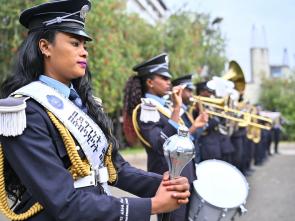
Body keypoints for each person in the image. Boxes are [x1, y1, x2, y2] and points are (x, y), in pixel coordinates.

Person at [0, 1, 190, 221]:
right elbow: (63, 202)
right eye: (74, 43)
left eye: (85, 46)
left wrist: (164, 184)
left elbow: (114, 168)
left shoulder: (84, 104)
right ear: (45, 47)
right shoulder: (25, 112)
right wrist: (151, 206)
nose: (84, 53)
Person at [123, 54, 198, 221]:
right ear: (150, 82)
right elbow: (160, 143)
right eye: (164, 78)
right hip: (168, 178)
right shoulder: (147, 109)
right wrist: (177, 108)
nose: (169, 82)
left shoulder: (163, 107)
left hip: (181, 176)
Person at [171, 74, 208, 163]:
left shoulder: (187, 109)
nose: (191, 94)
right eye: (189, 90)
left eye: (192, 91)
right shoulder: (175, 110)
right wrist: (195, 126)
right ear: (180, 90)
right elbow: (176, 138)